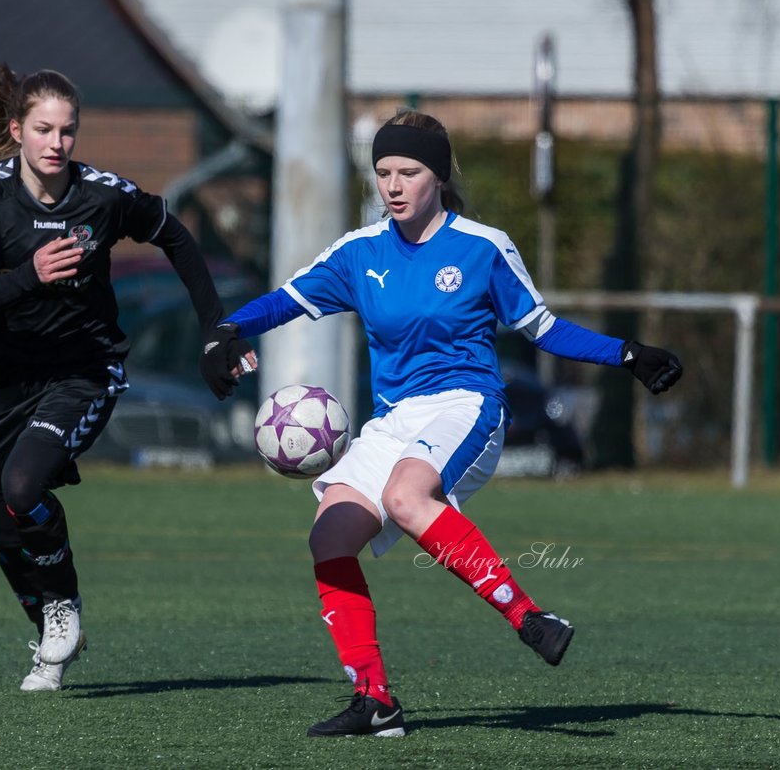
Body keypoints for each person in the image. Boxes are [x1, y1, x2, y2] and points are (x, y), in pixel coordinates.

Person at [200, 109, 683, 737]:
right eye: (383, 172)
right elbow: (287, 299)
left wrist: (627, 354)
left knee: (406, 496)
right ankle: (375, 701)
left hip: (467, 405)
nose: (393, 186)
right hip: (392, 418)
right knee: (329, 540)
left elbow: (543, 328)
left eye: (409, 171)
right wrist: (227, 332)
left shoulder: (482, 247)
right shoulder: (360, 251)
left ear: (439, 175)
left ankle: (529, 617)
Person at [0, 63, 246, 692]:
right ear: (16, 130)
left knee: (22, 485)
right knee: (1, 527)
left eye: (68, 131)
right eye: (44, 130)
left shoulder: (104, 195)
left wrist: (217, 329)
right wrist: (30, 273)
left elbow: (179, 239)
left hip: (85, 370)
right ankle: (55, 631)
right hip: (8, 380)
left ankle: (62, 608)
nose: (57, 144)